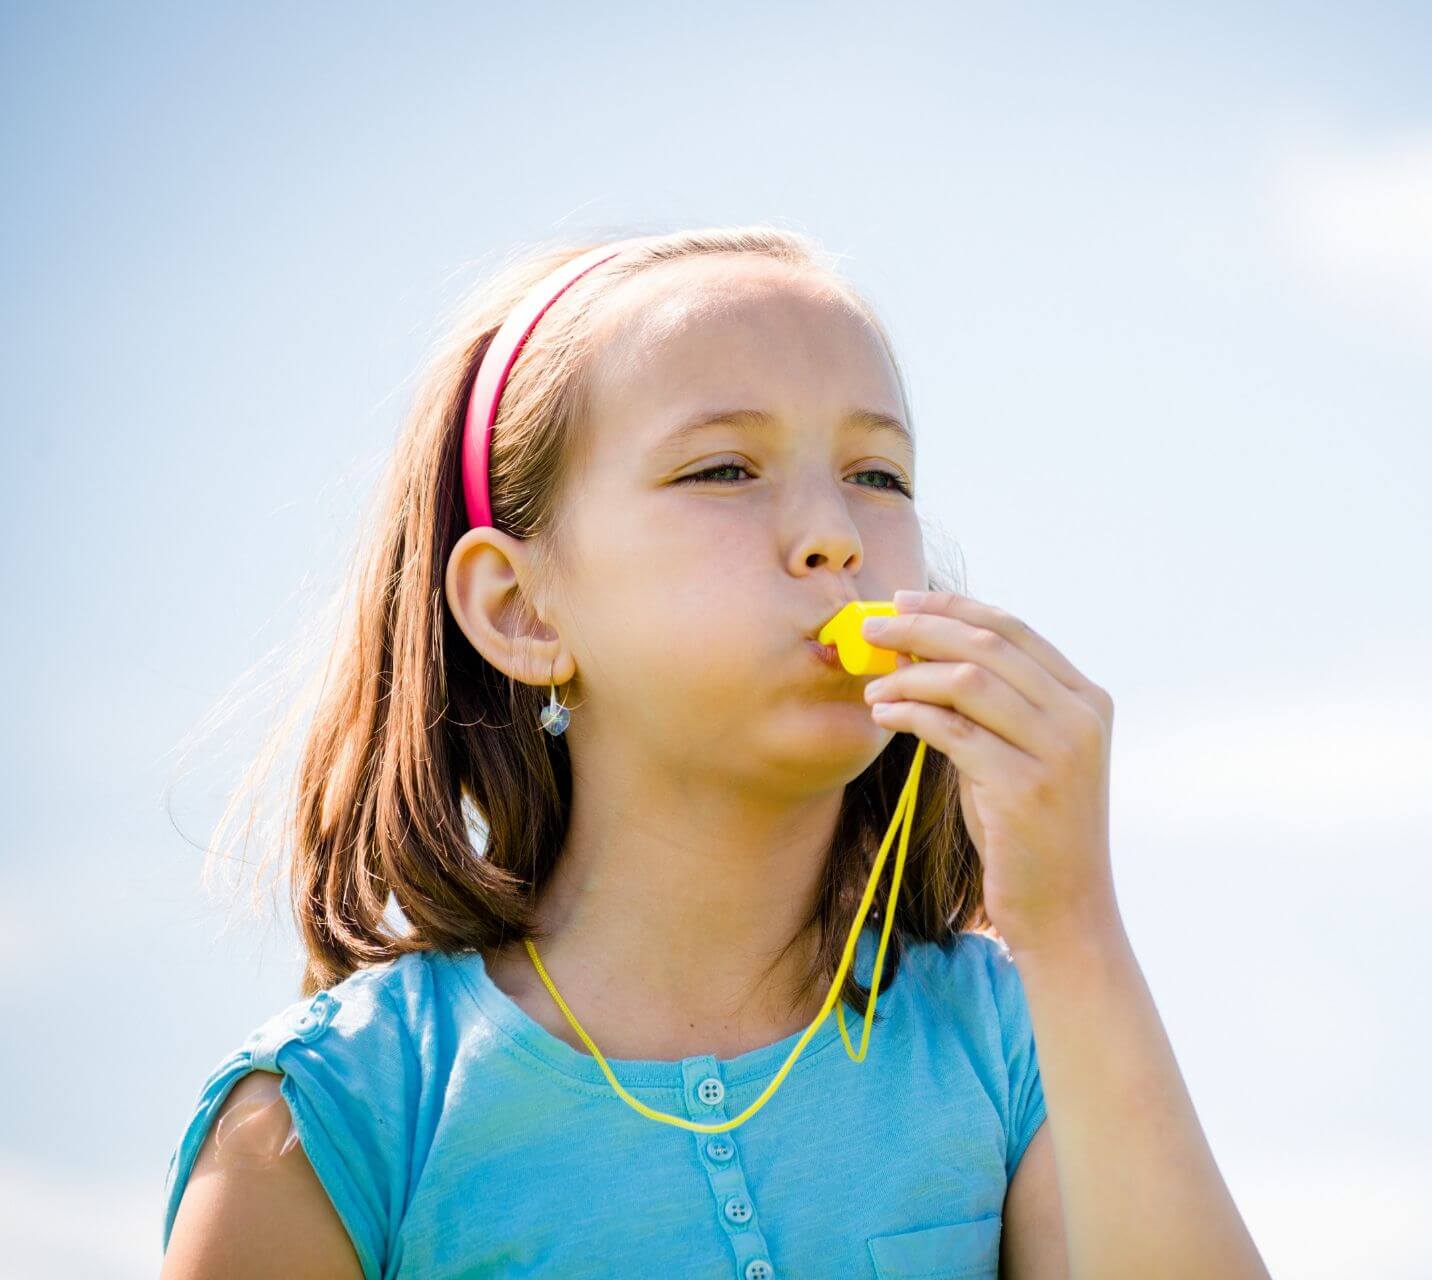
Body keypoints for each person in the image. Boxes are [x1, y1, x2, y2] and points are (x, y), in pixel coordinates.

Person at [158, 225, 1269, 1278]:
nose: (836, 531)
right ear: (522, 609)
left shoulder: (1014, 1041)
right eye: (725, 469)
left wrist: (1072, 924)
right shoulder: (332, 1122)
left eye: (878, 474)